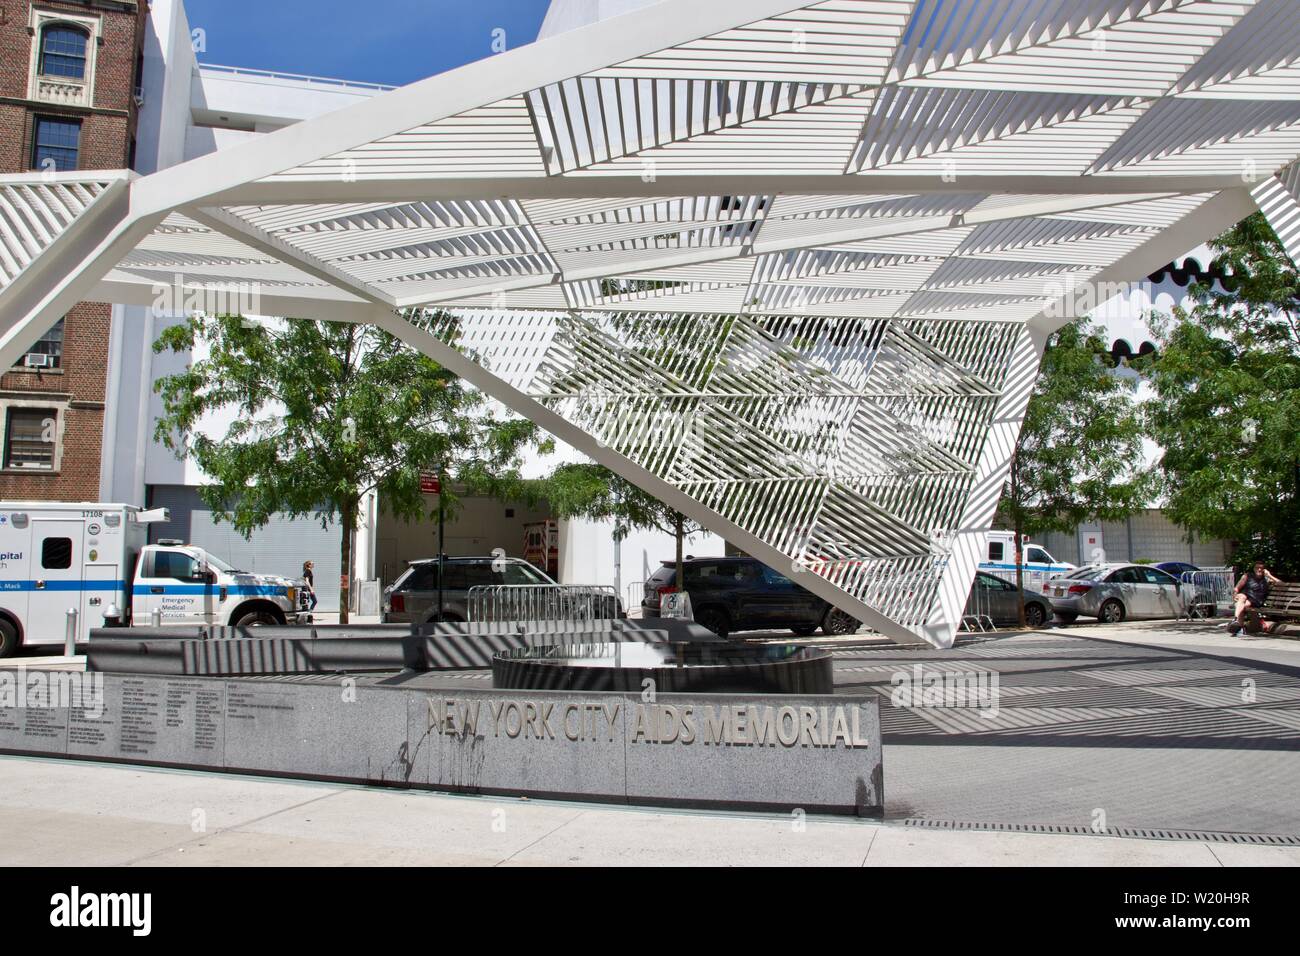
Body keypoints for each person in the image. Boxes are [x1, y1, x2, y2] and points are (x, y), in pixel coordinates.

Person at [1227, 562, 1281, 636]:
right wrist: (1235, 594)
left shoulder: (1266, 579)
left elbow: (1281, 584)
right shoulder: (1247, 576)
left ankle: (1239, 626)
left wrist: (1269, 575)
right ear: (1254, 569)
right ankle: (1236, 621)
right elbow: (1237, 588)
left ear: (1264, 570)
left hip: (1256, 600)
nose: (1259, 569)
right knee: (1242, 598)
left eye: (1261, 568)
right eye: (1257, 568)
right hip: (1245, 596)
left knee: (1240, 605)